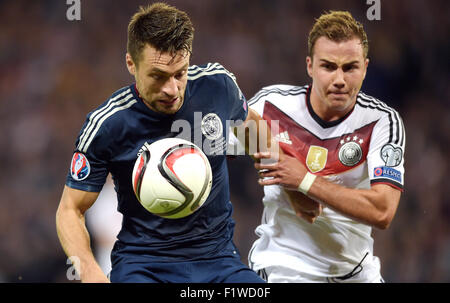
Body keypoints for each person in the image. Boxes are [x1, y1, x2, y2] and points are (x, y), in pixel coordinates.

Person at [55, 2, 266, 283]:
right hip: (144, 266)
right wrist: (90, 271)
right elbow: (70, 209)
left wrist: (290, 182)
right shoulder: (107, 125)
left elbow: (256, 130)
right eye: (158, 76)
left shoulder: (218, 87)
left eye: (180, 73)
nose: (172, 89)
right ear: (131, 63)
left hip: (219, 263)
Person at [247, 11, 406, 283]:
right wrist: (281, 172)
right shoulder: (271, 104)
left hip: (358, 272)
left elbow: (382, 211)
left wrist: (304, 182)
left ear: (366, 67)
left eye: (350, 67)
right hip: (284, 267)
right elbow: (235, 118)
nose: (340, 79)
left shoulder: (382, 121)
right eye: (328, 66)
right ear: (310, 66)